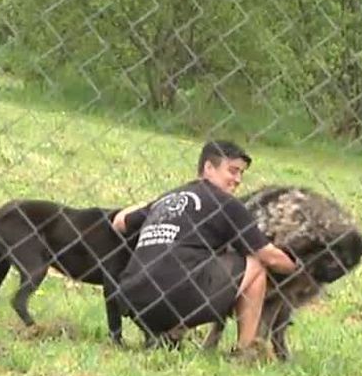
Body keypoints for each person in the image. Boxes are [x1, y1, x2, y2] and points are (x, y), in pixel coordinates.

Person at [110, 140, 300, 357]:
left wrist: (151, 204)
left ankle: (168, 334)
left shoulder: (169, 199)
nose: (238, 180)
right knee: (255, 265)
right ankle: (246, 351)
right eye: (232, 171)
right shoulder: (227, 204)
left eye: (241, 174)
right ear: (209, 168)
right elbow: (270, 257)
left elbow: (119, 221)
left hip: (135, 300)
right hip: (176, 296)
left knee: (195, 260)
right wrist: (298, 266)